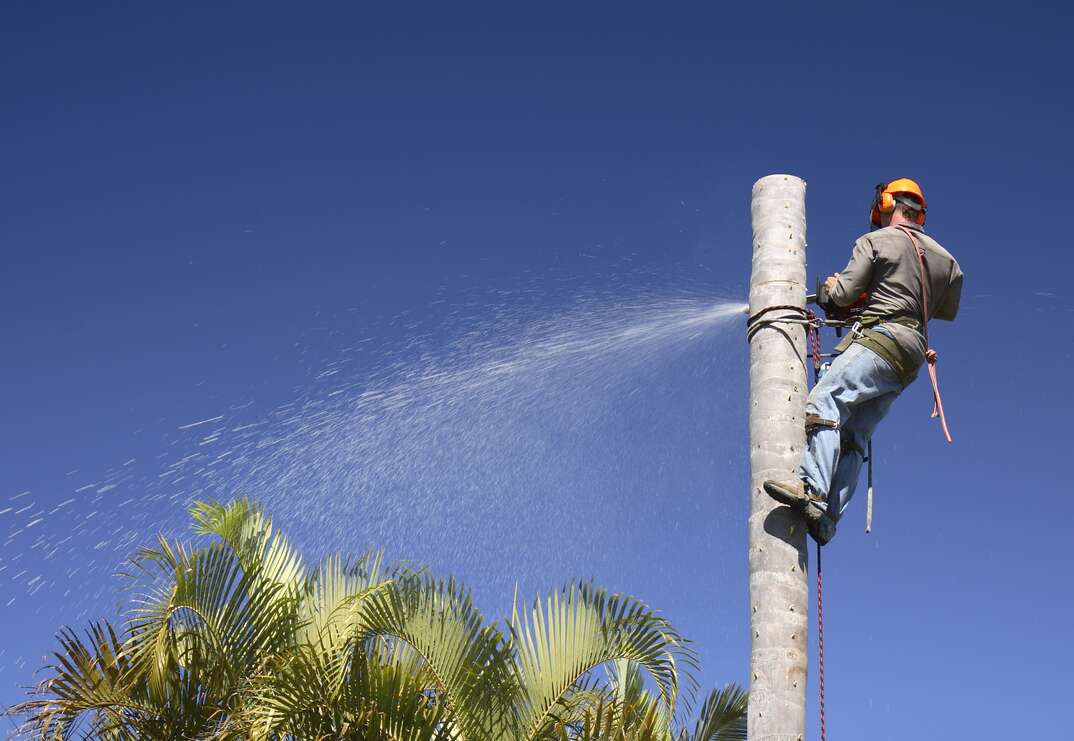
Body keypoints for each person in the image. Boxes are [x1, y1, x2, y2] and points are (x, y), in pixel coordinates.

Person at [763, 178, 963, 544]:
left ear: (888, 204)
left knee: (825, 401)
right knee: (856, 435)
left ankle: (814, 491)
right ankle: (827, 522)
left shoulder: (874, 241)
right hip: (910, 356)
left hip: (880, 340)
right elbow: (941, 310)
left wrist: (835, 289)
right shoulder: (948, 262)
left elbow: (842, 295)